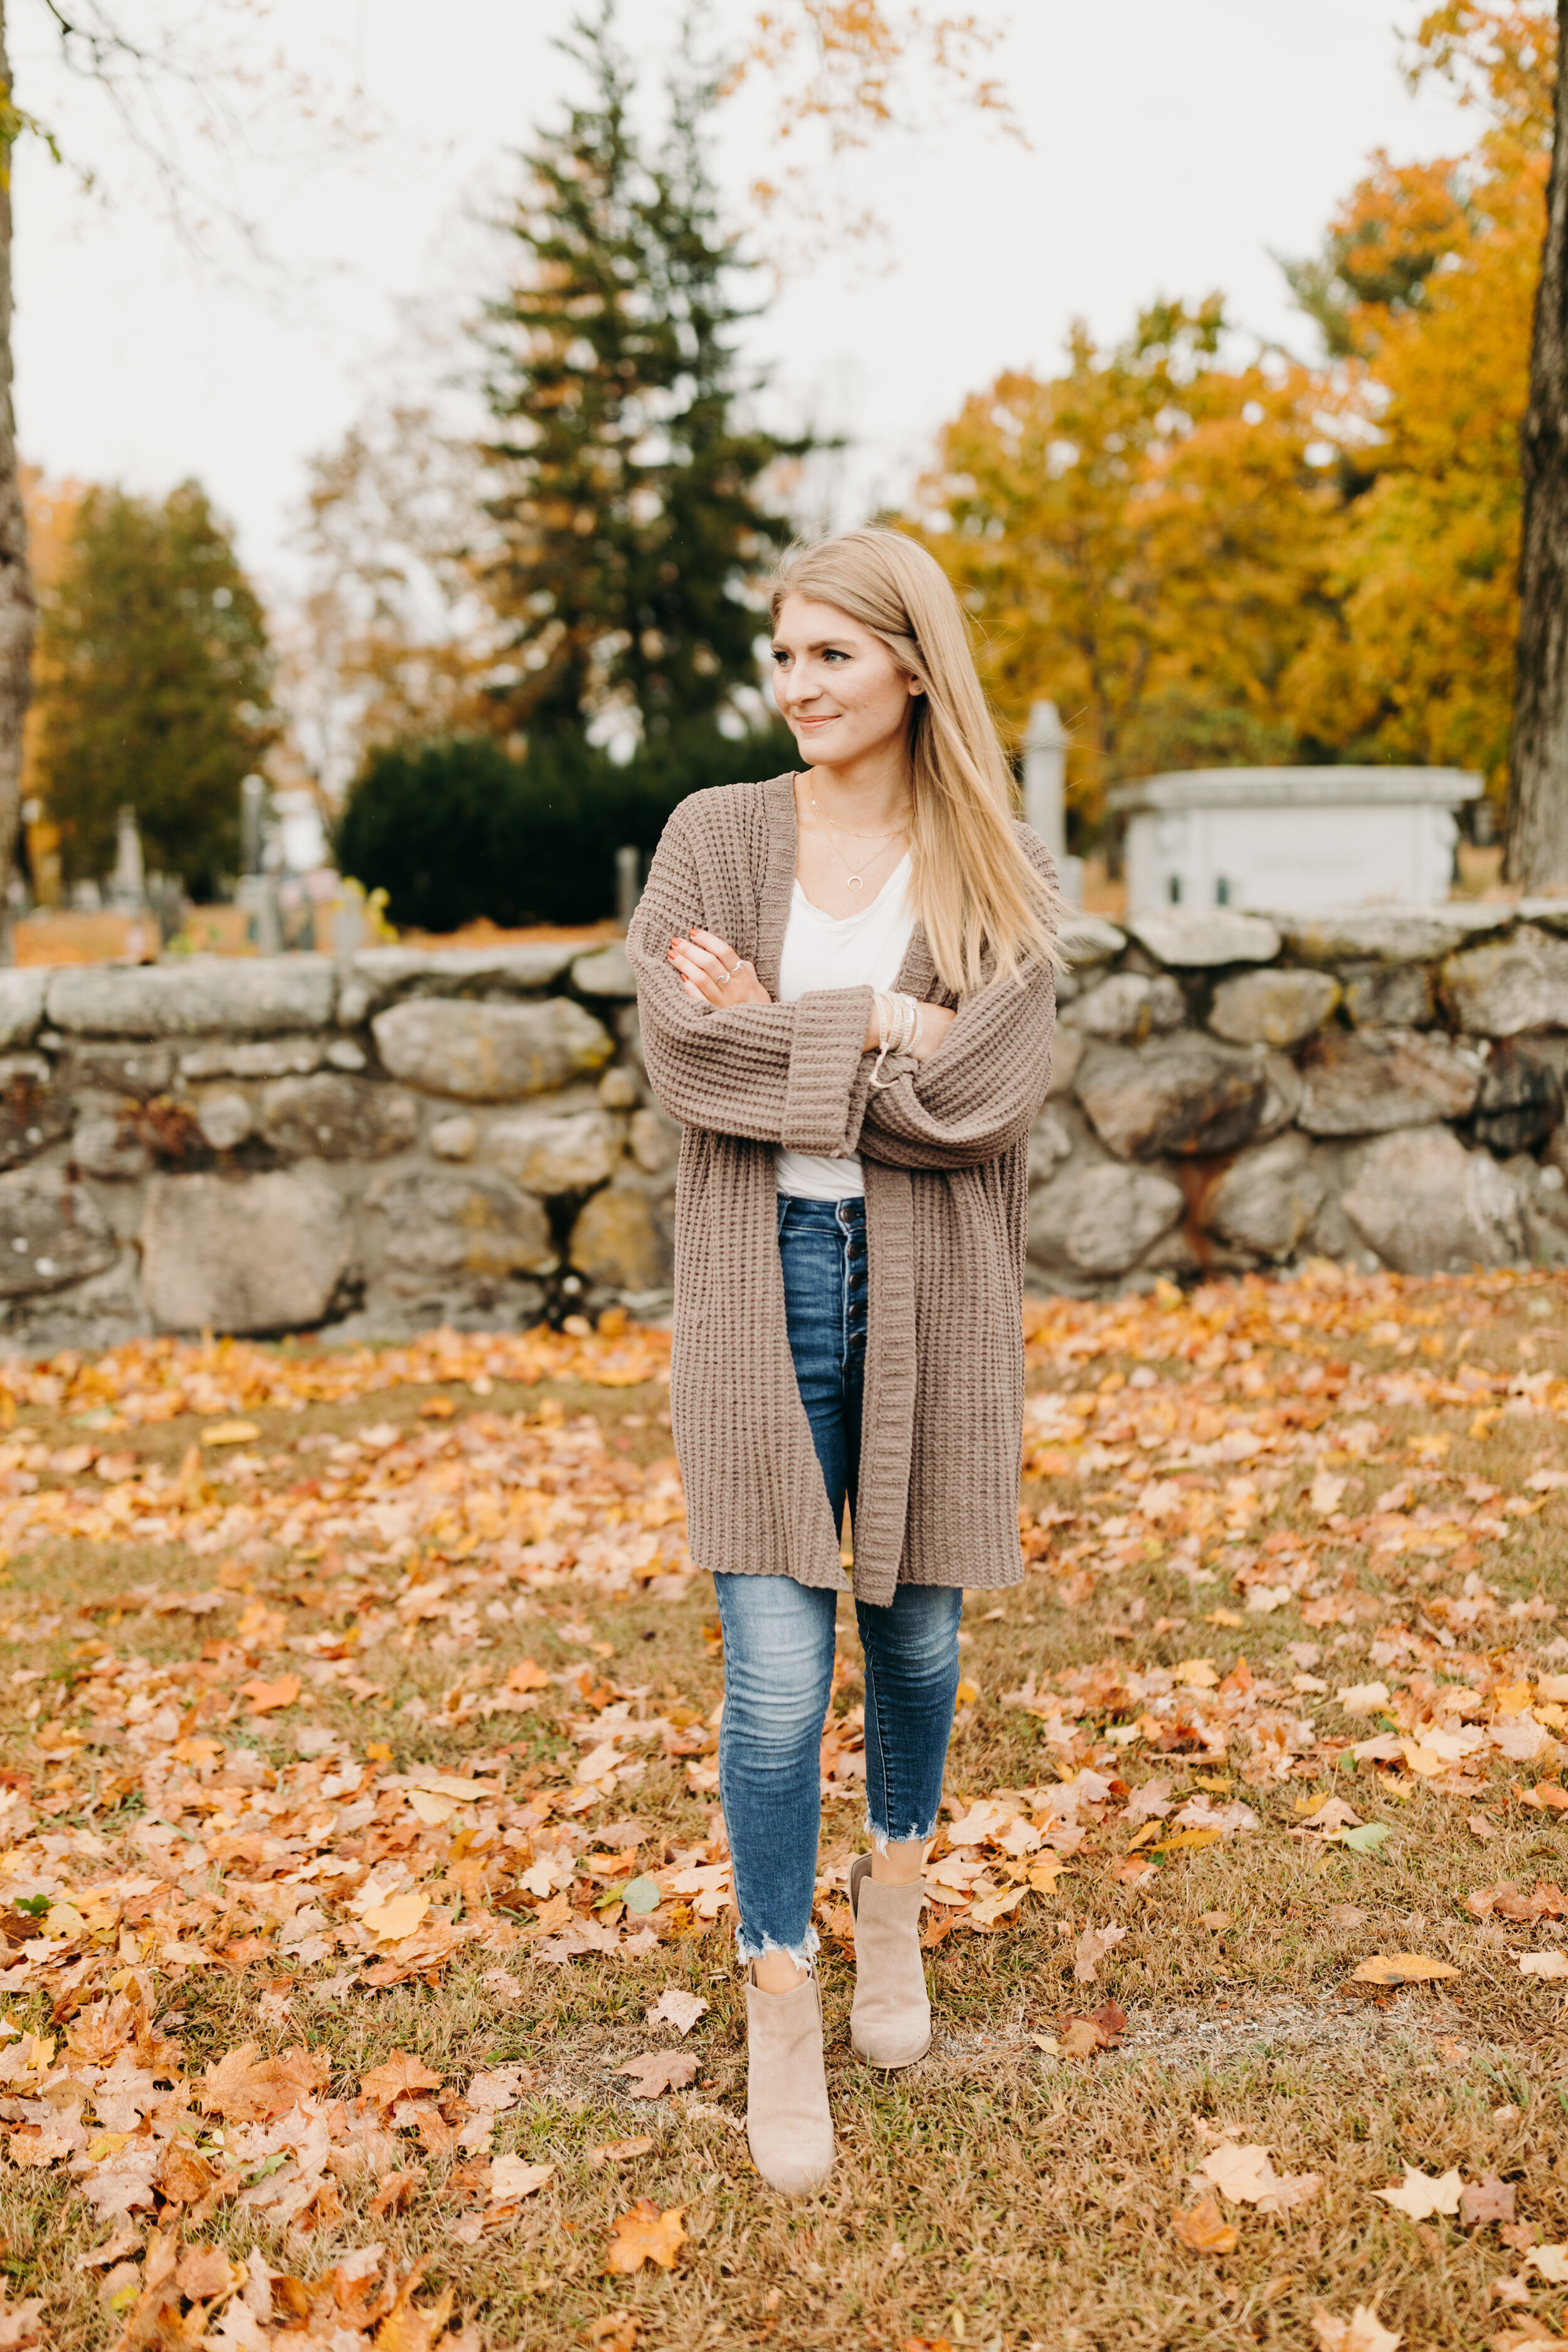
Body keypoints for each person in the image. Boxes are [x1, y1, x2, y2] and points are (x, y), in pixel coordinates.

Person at [627, 527, 1059, 2194]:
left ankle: (890, 1897)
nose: (794, 685)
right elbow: (684, 1052)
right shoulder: (712, 838)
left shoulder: (989, 859)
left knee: (923, 1641)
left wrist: (795, 1038)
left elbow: (989, 1100)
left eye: (829, 655)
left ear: (907, 666)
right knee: (776, 1676)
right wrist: (882, 1025)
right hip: (756, 1278)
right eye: (782, 654)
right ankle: (778, 1994)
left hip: (929, 1288)